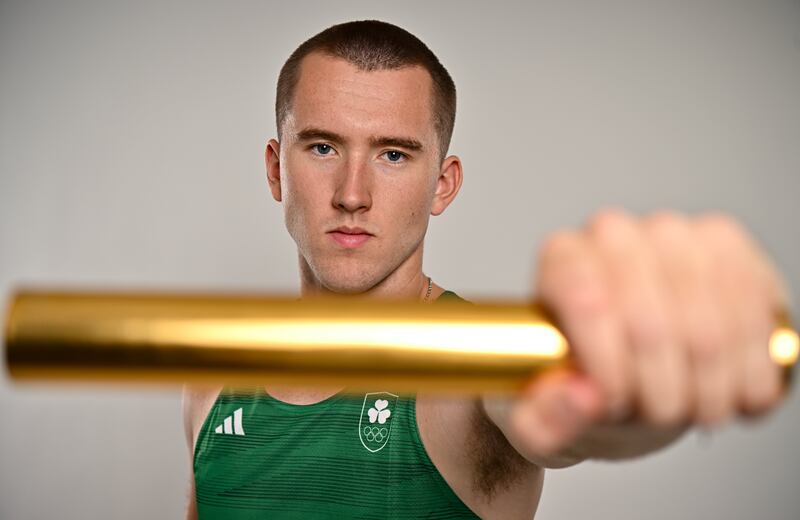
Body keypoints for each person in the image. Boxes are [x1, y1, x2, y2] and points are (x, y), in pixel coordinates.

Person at [182, 20, 789, 519]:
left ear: (442, 185)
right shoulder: (214, 382)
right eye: (323, 148)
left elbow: (562, 416)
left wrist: (629, 380)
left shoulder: (477, 366)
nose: (352, 194)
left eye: (393, 154)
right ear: (276, 170)